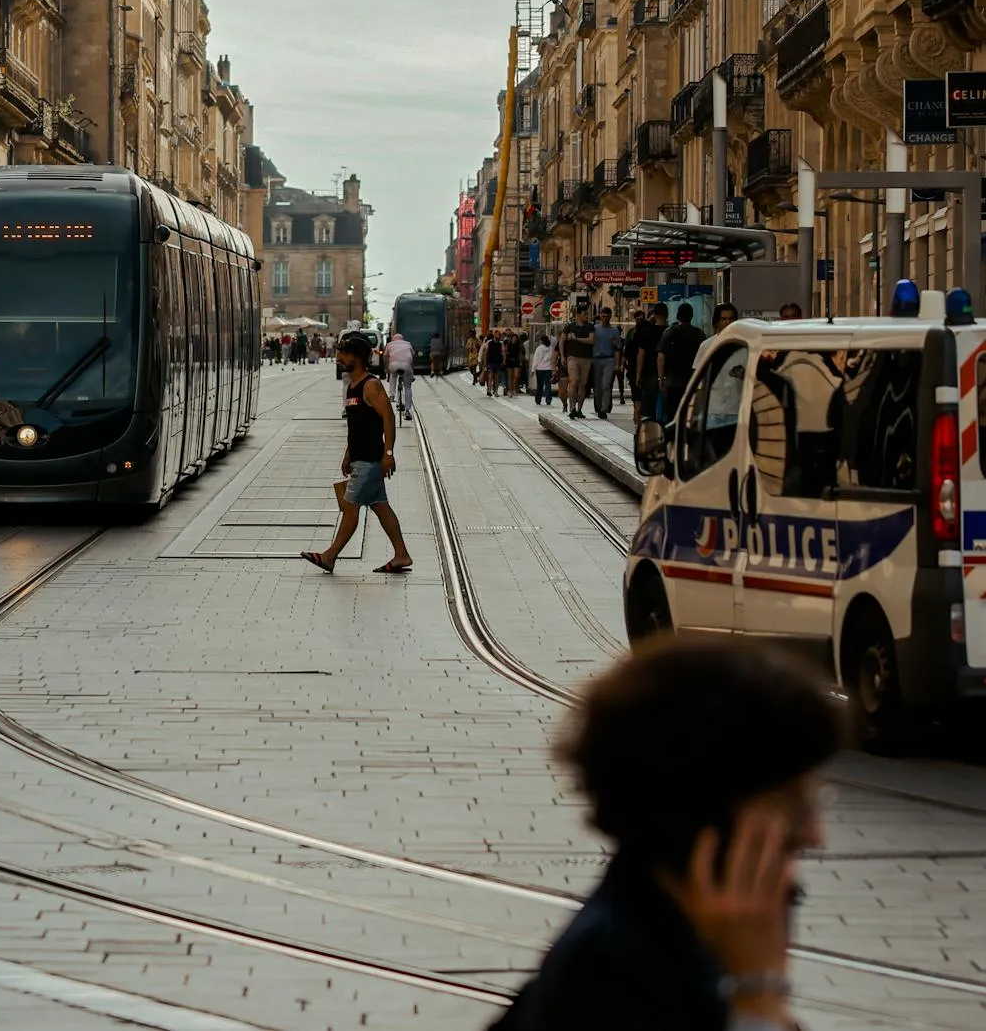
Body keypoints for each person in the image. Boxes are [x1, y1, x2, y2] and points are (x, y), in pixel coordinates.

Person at [488, 636, 843, 1031]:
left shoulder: (690, 931)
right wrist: (757, 999)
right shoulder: (612, 973)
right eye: (791, 802)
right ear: (705, 807)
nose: (814, 835)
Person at [299, 335, 414, 576]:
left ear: (357, 357)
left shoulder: (370, 385)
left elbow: (389, 418)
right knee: (381, 507)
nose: (339, 358)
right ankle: (401, 554)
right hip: (360, 457)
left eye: (343, 353)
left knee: (350, 508)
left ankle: (329, 557)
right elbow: (357, 426)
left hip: (370, 460)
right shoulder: (353, 384)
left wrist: (388, 454)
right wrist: (347, 454)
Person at [657, 304, 707, 422]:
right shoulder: (699, 334)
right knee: (690, 414)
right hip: (693, 381)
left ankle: (673, 437)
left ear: (678, 315)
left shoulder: (669, 332)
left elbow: (660, 357)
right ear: (691, 316)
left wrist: (661, 378)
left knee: (672, 413)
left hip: (673, 381)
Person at [633, 304, 668, 423]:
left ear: (654, 315)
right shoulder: (670, 332)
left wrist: (638, 374)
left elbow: (641, 355)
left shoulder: (647, 333)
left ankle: (649, 432)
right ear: (667, 315)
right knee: (666, 408)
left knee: (648, 408)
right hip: (667, 374)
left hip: (649, 374)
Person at [560, 307, 596, 419]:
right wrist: (562, 356)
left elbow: (591, 340)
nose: (587, 315)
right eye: (585, 313)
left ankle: (579, 409)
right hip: (572, 357)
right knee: (574, 381)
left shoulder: (590, 326)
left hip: (586, 358)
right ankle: (572, 408)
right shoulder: (569, 327)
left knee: (583, 384)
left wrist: (576, 339)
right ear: (578, 315)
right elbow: (561, 342)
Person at [591, 308, 622, 420]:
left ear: (610, 317)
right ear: (600, 316)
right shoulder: (594, 329)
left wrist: (618, 364)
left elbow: (618, 348)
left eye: (607, 316)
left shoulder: (614, 331)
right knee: (598, 387)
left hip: (609, 359)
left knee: (606, 384)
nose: (604, 318)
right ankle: (599, 407)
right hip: (596, 359)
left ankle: (604, 408)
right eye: (603, 316)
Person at [384, 332, 415, 420]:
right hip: (406, 365)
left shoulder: (390, 344)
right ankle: (407, 410)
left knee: (392, 376)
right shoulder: (408, 344)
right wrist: (412, 370)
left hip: (393, 365)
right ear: (402, 339)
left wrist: (386, 369)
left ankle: (392, 394)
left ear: (393, 339)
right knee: (407, 387)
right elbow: (413, 356)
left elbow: (385, 357)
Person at [530, 333, 555, 406]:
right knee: (548, 385)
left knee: (539, 385)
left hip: (540, 369)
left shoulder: (539, 348)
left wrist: (532, 370)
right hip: (548, 369)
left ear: (542, 341)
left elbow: (536, 360)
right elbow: (552, 359)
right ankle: (548, 399)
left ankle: (538, 399)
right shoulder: (551, 348)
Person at [482, 332, 505, 397]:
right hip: (490, 362)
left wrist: (503, 362)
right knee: (490, 376)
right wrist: (485, 363)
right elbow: (485, 353)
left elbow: (503, 353)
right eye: (498, 334)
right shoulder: (489, 343)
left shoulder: (501, 344)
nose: (499, 335)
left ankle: (495, 391)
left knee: (497, 378)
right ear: (494, 335)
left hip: (498, 362)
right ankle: (489, 390)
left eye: (499, 335)